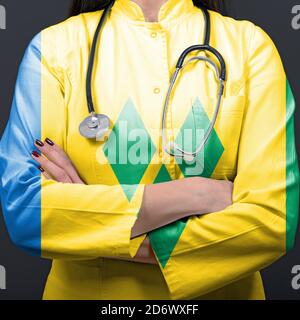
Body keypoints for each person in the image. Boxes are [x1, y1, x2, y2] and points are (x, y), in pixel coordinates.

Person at [0, 0, 299, 300]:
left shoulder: (250, 49)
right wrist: (196, 194)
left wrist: (91, 224)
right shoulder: (52, 49)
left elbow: (273, 221)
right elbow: (26, 210)